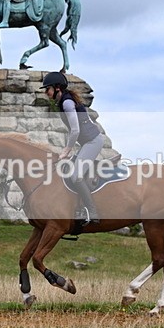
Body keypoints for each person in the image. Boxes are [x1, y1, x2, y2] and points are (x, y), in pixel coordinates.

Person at [40, 72, 104, 226]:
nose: (45, 92)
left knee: (76, 176)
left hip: (93, 141)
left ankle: (92, 211)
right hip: (86, 143)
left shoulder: (67, 103)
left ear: (57, 88)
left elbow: (75, 130)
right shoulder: (64, 100)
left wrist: (66, 150)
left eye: (47, 89)